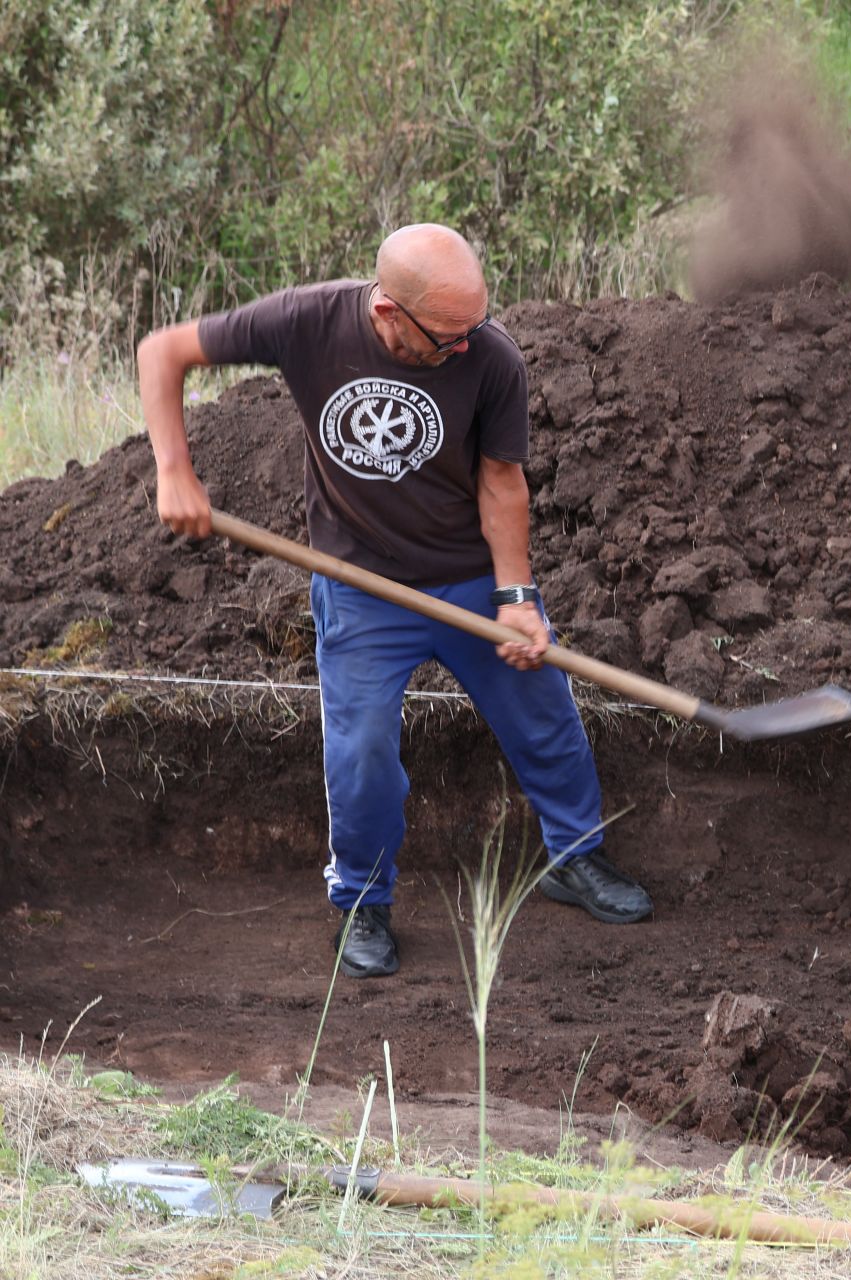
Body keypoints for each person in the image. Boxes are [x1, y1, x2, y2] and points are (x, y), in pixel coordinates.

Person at [136, 223, 653, 979]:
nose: (465, 347)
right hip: (360, 585)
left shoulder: (491, 356)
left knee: (543, 710)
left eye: (473, 328)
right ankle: (363, 900)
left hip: (470, 577)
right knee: (363, 751)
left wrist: (515, 597)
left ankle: (577, 857)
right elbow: (163, 351)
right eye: (447, 336)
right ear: (388, 315)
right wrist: (174, 470)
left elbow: (503, 482)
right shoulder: (307, 323)